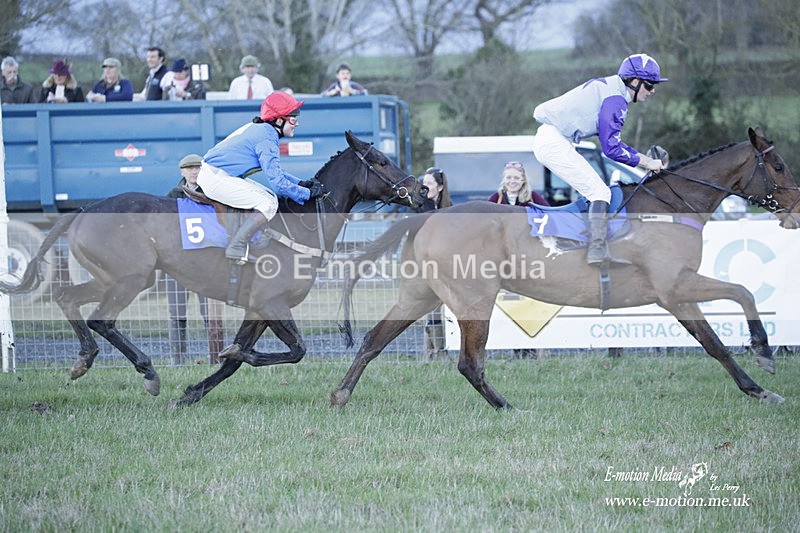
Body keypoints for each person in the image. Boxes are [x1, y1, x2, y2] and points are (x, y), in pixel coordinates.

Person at [532, 53, 668, 266]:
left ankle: (584, 241)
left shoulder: (613, 89)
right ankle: (596, 250)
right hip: (554, 141)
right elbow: (612, 149)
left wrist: (643, 159)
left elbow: (610, 142)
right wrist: (647, 162)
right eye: (649, 85)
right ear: (634, 81)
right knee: (599, 192)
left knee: (594, 190)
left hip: (553, 138)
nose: (653, 91)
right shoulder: (616, 100)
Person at [197, 91, 324, 264]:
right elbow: (278, 184)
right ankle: (236, 246)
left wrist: (301, 183)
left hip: (218, 173)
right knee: (269, 203)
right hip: (215, 177)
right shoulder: (266, 138)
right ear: (279, 120)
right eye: (293, 119)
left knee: (270, 198)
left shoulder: (263, 129)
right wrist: (307, 194)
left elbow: (275, 173)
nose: (297, 123)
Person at [165, 154, 225, 364]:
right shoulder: (173, 196)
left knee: (210, 311)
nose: (193, 172)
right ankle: (178, 361)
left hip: (206, 264)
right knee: (177, 312)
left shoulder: (213, 194)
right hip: (177, 263)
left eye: (197, 168)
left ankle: (216, 359)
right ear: (182, 172)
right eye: (189, 168)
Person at [415, 167, 452, 359]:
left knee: (440, 308)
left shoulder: (450, 208)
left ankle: (433, 352)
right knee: (432, 308)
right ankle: (437, 351)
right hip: (425, 264)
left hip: (446, 265)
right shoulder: (420, 207)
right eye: (424, 182)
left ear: (440, 187)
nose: (425, 186)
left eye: (429, 183)